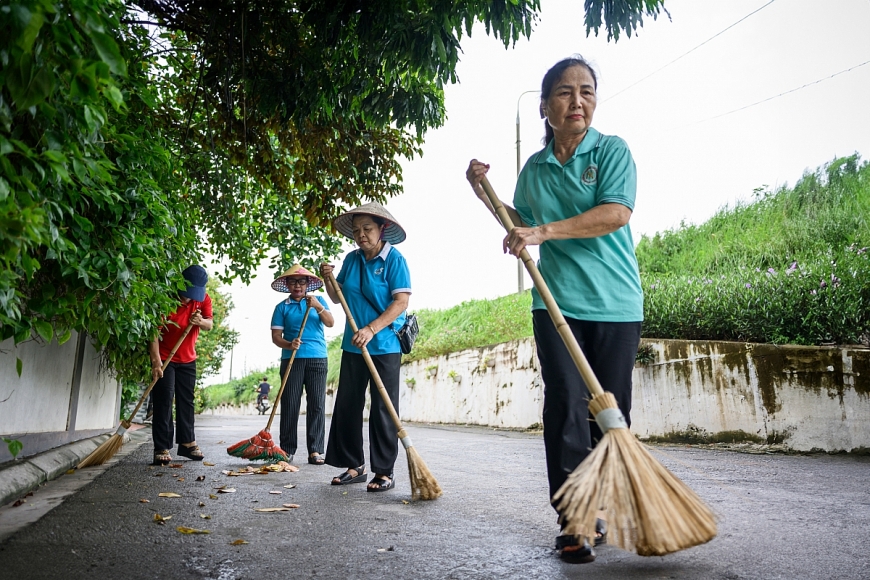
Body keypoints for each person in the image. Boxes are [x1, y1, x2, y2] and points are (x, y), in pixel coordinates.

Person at [465, 56, 643, 564]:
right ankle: (575, 519)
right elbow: (520, 221)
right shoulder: (535, 169)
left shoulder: (611, 150)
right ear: (546, 107)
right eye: (565, 92)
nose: (578, 101)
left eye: (587, 91)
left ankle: (599, 507)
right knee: (564, 404)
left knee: (609, 412)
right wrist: (483, 193)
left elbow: (615, 213)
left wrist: (543, 232)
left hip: (615, 303)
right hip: (556, 303)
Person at [319, 202, 411, 492]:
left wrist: (372, 329)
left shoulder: (394, 260)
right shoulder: (352, 259)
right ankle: (354, 466)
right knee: (348, 404)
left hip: (384, 343)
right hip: (353, 345)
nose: (361, 235)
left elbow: (401, 302)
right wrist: (328, 279)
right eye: (357, 230)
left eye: (367, 229)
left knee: (383, 408)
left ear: (382, 229)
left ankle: (384, 471)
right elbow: (337, 297)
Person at [149, 265, 214, 465]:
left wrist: (200, 321)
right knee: (164, 399)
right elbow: (153, 334)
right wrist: (156, 362)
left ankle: (187, 443)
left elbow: (209, 324)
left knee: (187, 401)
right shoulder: (166, 300)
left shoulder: (203, 299)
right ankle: (162, 447)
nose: (188, 298)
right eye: (187, 292)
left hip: (188, 358)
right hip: (165, 358)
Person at [270, 265, 334, 465]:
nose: (297, 286)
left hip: (318, 358)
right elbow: (276, 337)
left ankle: (315, 450)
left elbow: (330, 322)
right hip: (292, 359)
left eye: (301, 282)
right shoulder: (281, 307)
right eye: (292, 282)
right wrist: (289, 344)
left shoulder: (319, 300)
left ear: (308, 284)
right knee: (290, 404)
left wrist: (317, 306)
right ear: (287, 285)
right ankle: (287, 450)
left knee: (317, 404)